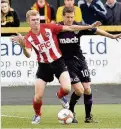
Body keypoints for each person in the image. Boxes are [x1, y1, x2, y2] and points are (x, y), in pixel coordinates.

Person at [11, 10, 100, 124]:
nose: (36, 22)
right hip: (44, 66)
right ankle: (37, 115)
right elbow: (28, 54)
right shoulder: (28, 37)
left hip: (58, 63)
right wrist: (23, 46)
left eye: (37, 19)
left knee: (67, 88)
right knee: (38, 97)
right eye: (33, 20)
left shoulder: (49, 27)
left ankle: (60, 95)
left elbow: (70, 28)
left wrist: (89, 26)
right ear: (28, 21)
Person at [57, 7, 121, 123]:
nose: (70, 20)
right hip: (66, 63)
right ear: (63, 16)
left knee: (87, 89)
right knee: (79, 90)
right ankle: (71, 112)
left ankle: (88, 117)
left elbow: (95, 30)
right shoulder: (58, 28)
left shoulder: (78, 26)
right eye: (67, 17)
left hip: (80, 61)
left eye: (72, 17)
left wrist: (112, 36)